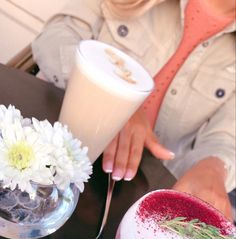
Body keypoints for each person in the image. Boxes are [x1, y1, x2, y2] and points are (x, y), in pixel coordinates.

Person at [32, 0, 236, 221]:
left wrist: (215, 166)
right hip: (44, 149)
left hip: (135, 198)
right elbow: (57, 35)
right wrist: (113, 100)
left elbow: (226, 138)